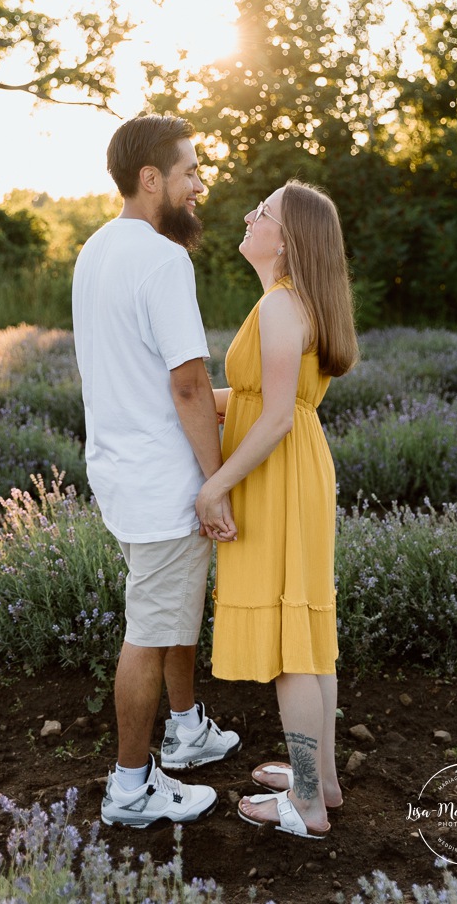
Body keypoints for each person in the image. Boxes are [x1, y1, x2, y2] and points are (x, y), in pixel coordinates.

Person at [72, 113, 241, 830]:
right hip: (162, 477)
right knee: (150, 626)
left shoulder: (96, 249)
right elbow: (188, 385)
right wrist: (216, 481)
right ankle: (132, 786)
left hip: (120, 470)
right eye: (190, 172)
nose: (200, 185)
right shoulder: (165, 260)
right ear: (151, 180)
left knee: (169, 611)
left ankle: (187, 729)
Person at [195, 179, 359, 839]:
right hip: (300, 472)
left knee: (294, 643)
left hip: (278, 473)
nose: (246, 216)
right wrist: (192, 396)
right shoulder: (290, 303)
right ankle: (321, 782)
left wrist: (215, 486)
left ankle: (306, 805)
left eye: (259, 212)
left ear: (284, 239)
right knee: (309, 633)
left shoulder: (278, 307)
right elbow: (268, 395)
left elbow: (272, 420)